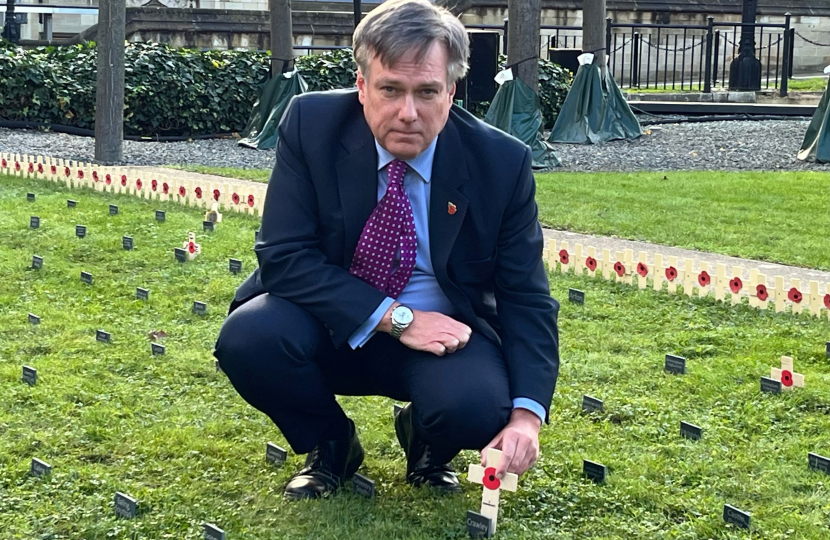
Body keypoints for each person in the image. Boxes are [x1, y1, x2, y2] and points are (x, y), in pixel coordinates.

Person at [214, 0, 559, 500]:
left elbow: (525, 295)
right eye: (390, 89)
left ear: (451, 92)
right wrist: (397, 318)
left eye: (427, 92)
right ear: (361, 85)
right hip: (330, 322)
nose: (407, 112)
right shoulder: (312, 126)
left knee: (476, 407)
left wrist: (528, 416)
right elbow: (285, 257)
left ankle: (427, 440)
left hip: (445, 333)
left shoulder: (501, 162)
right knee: (250, 339)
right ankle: (332, 445)